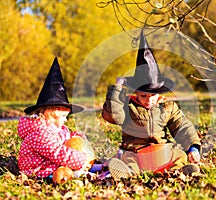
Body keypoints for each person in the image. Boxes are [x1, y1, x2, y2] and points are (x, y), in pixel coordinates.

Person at [102, 32, 202, 180]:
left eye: (152, 96)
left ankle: (182, 169)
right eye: (143, 96)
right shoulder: (128, 106)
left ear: (160, 92)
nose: (148, 101)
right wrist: (117, 88)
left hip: (161, 150)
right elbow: (112, 115)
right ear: (136, 92)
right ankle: (128, 172)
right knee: (129, 160)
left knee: (178, 155)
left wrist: (193, 147)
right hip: (135, 151)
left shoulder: (168, 107)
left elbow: (182, 127)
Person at [17, 58, 101, 183]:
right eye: (63, 116)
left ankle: (90, 168)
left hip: (51, 162)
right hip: (39, 168)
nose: (66, 120)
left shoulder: (57, 129)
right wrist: (81, 159)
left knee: (74, 154)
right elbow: (57, 152)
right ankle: (83, 170)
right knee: (65, 170)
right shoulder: (40, 134)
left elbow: (66, 137)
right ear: (53, 112)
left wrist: (78, 137)